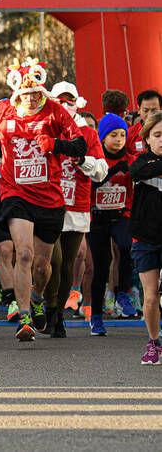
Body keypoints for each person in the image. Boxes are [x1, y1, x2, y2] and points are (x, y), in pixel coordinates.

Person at [0, 58, 87, 342]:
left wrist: (56, 145)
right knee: (23, 253)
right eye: (25, 95)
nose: (31, 98)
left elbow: (80, 144)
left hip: (50, 198)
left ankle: (37, 297)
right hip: (16, 193)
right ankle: (24, 317)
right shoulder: (1, 110)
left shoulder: (56, 111)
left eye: (36, 93)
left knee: (42, 264)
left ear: (42, 91)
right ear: (16, 95)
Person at [43, 82, 108, 337]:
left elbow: (102, 171)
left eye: (70, 100)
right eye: (60, 100)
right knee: (53, 261)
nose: (65, 105)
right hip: (48, 205)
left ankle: (58, 315)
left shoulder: (87, 134)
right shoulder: (45, 129)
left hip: (77, 206)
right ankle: (49, 308)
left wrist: (83, 161)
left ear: (78, 102)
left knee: (68, 264)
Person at [86, 113, 136, 335]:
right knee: (100, 268)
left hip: (121, 215)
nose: (119, 139)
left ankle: (122, 294)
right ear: (102, 137)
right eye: (113, 135)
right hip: (97, 218)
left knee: (126, 246)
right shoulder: (96, 159)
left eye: (123, 134)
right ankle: (96, 316)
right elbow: (91, 186)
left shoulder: (131, 159)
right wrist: (113, 171)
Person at [129, 111, 162, 364]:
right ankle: (154, 342)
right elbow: (137, 172)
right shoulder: (141, 162)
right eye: (158, 135)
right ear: (147, 139)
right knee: (150, 297)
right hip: (145, 238)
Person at [127, 90, 161, 154]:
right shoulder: (130, 134)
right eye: (145, 110)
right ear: (138, 110)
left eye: (154, 110)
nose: (150, 114)